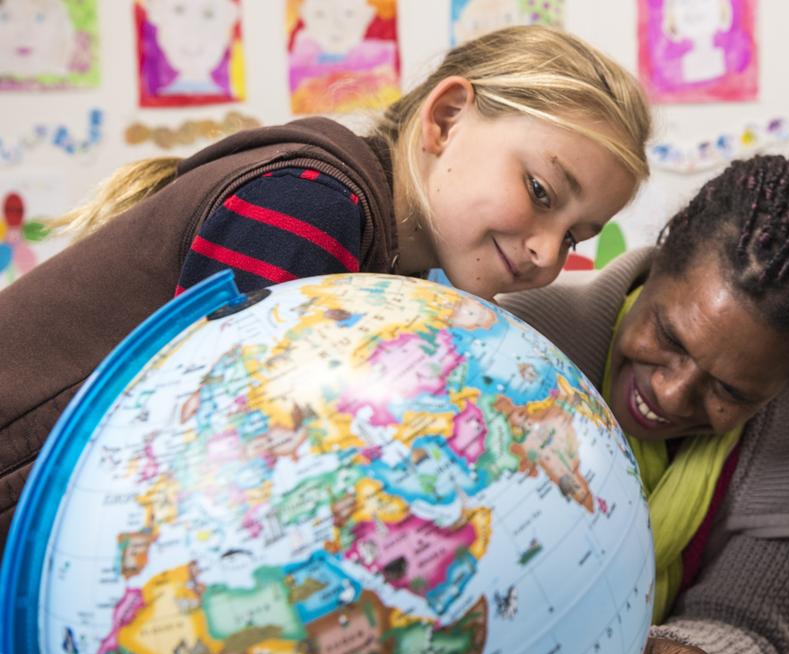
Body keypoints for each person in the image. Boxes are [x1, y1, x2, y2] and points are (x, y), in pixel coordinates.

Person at [0, 24, 650, 553]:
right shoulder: (313, 210)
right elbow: (231, 468)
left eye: (576, 237)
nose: (546, 252)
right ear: (447, 119)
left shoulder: (384, 265)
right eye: (540, 192)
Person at [499, 155, 789, 654]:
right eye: (668, 335)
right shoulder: (513, 343)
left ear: (787, 385)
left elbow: (753, 630)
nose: (672, 394)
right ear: (656, 263)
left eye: (730, 389)